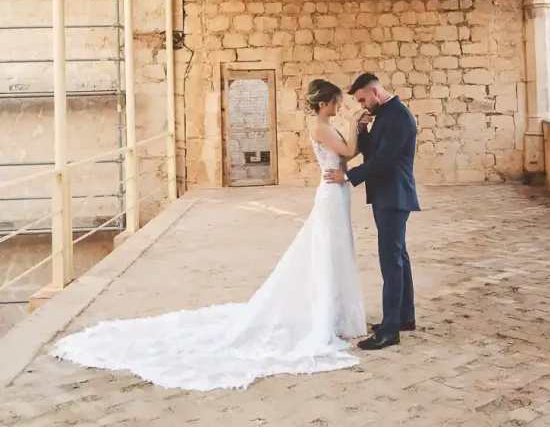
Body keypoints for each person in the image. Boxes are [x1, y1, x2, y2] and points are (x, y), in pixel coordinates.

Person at [51, 79, 367, 391]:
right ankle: (326, 315)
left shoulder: (326, 124)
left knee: (336, 251)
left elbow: (348, 155)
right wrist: (354, 121)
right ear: (324, 103)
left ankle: (334, 313)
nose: (339, 107)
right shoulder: (320, 126)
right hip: (330, 194)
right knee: (327, 251)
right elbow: (350, 150)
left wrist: (357, 127)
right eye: (336, 102)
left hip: (337, 192)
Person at [325, 71, 419, 351]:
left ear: (375, 92)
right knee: (398, 254)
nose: (363, 105)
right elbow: (373, 153)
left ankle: (390, 330)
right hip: (387, 194)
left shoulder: (399, 117)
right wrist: (364, 130)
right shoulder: (385, 115)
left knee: (390, 261)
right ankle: (404, 316)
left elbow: (385, 161)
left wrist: (348, 176)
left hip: (394, 195)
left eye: (363, 100)